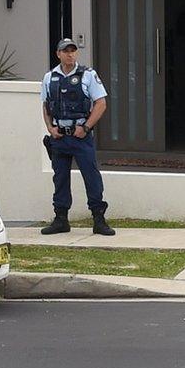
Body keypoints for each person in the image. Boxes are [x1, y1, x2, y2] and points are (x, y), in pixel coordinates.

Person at [40, 38, 115, 236]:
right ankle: (61, 219)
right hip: (59, 137)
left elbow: (101, 103)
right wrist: (50, 128)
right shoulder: (50, 77)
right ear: (58, 54)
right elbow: (46, 106)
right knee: (60, 178)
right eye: (66, 51)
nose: (70, 54)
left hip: (81, 136)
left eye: (73, 51)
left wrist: (86, 127)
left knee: (91, 176)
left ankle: (99, 219)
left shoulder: (88, 75)